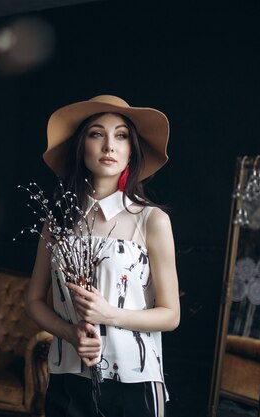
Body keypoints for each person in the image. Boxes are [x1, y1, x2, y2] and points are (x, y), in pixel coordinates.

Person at [26, 95, 180, 417]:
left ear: (131, 150)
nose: (109, 145)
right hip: (67, 376)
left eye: (121, 135)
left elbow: (170, 314)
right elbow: (35, 302)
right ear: (82, 146)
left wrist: (109, 315)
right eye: (97, 134)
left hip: (134, 382)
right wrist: (69, 333)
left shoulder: (151, 221)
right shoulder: (56, 222)